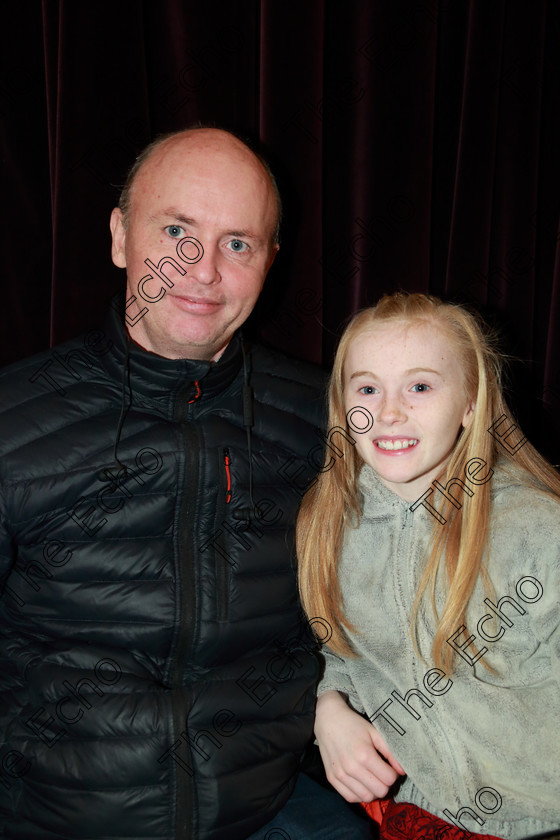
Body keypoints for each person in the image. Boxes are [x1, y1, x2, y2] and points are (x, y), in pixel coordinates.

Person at [0, 128, 371, 839]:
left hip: (266, 809)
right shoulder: (14, 420)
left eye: (239, 243)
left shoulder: (329, 420)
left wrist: (334, 704)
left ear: (269, 263)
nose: (201, 271)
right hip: (59, 818)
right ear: (120, 237)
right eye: (177, 231)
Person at [297, 292, 560, 840]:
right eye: (368, 388)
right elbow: (336, 648)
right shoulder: (328, 522)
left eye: (420, 386)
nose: (389, 412)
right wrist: (328, 707)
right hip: (417, 815)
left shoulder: (538, 528)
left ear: (470, 403)